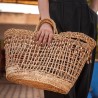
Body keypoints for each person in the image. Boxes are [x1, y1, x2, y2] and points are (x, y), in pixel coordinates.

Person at [35, 0, 97, 98]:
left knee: (82, 81)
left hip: (85, 17)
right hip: (56, 15)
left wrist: (93, 12)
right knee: (56, 81)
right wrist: (46, 21)